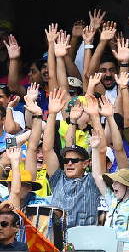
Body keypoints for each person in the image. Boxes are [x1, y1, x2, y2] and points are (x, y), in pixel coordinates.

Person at [43, 89, 101, 228]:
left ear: (86, 163)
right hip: (57, 242)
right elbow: (47, 149)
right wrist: (52, 114)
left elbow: (102, 151)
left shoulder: (93, 181)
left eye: (74, 161)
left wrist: (94, 117)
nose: (69, 163)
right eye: (66, 160)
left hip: (85, 243)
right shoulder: (57, 179)